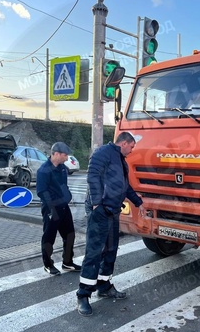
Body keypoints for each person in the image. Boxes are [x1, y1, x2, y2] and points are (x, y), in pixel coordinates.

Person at [76, 132, 146, 316]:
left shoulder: (120, 159)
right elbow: (92, 176)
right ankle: (83, 295)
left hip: (112, 211)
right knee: (94, 252)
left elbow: (125, 186)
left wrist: (138, 202)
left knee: (110, 250)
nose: (132, 150)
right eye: (131, 147)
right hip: (101, 210)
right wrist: (97, 202)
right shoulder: (103, 153)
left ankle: (104, 286)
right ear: (124, 143)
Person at [36, 142, 81, 276]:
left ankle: (67, 262)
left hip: (63, 207)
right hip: (51, 208)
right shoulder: (43, 170)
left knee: (70, 234)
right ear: (55, 154)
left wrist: (67, 197)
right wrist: (51, 208)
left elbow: (63, 185)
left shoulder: (62, 168)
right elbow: (42, 191)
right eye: (64, 155)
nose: (67, 158)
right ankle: (48, 265)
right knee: (49, 236)